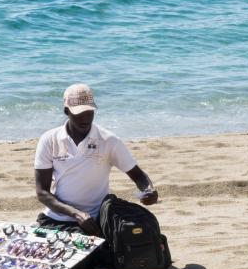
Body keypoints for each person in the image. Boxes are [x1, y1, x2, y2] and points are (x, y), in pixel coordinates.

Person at [34, 83, 158, 236]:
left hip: (95, 219)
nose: (85, 118)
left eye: (89, 112)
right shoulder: (49, 140)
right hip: (57, 217)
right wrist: (76, 214)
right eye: (79, 113)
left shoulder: (109, 140)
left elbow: (138, 176)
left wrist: (149, 190)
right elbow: (42, 193)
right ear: (66, 111)